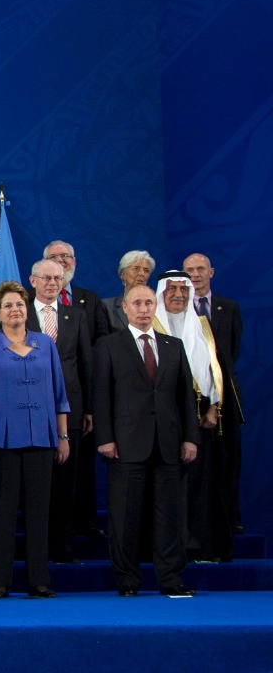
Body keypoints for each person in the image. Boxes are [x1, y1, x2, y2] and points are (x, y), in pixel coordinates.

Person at [92, 284, 199, 596]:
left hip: (168, 444)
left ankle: (171, 579)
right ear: (125, 308)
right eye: (137, 303)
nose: (143, 309)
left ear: (156, 306)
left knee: (169, 517)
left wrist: (190, 439)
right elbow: (101, 395)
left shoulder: (173, 345)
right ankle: (128, 579)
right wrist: (105, 438)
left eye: (149, 303)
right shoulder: (109, 345)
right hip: (126, 445)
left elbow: (185, 397)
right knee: (125, 516)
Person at [0, 280, 70, 598]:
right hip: (1, 441)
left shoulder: (46, 344)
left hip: (42, 438)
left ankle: (39, 580)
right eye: (8, 305)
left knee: (39, 512)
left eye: (20, 305)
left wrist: (63, 436)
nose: (15, 310)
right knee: (2, 512)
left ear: (28, 310)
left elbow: (60, 396)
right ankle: (2, 580)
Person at [152, 271, 236, 562]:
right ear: (162, 293)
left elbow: (216, 369)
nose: (179, 295)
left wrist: (214, 408)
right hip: (162, 418)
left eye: (183, 289)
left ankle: (199, 545)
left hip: (200, 418)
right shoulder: (151, 325)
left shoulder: (201, 325)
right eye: (172, 289)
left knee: (200, 483)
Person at [27, 260, 93, 563]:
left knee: (66, 483)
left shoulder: (75, 316)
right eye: (47, 278)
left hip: (70, 407)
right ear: (33, 281)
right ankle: (35, 549)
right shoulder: (20, 312)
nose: (53, 283)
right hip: (29, 407)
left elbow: (85, 363)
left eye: (58, 278)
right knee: (35, 484)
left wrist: (88, 408)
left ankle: (62, 548)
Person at [43, 241, 101, 541]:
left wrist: (90, 405)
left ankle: (78, 528)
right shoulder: (23, 306)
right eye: (53, 258)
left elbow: (91, 359)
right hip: (35, 402)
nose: (60, 261)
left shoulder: (87, 303)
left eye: (65, 256)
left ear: (74, 262)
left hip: (74, 401)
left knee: (77, 469)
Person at [184, 252, 244, 536]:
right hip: (191, 395)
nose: (195, 275)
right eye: (189, 271)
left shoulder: (228, 307)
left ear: (211, 272)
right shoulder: (178, 309)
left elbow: (232, 351)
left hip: (224, 395)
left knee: (228, 458)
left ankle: (229, 519)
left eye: (200, 269)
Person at [95, 250, 155, 338]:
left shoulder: (155, 307)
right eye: (136, 269)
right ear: (123, 274)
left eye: (146, 270)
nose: (142, 274)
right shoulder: (107, 306)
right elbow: (103, 341)